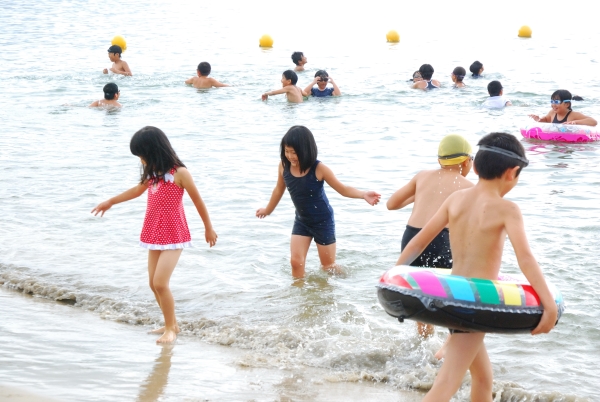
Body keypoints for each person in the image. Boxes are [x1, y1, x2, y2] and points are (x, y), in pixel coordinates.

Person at [396, 132, 558, 401]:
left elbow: (417, 244)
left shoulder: (456, 200)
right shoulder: (507, 209)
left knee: (483, 379)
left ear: (475, 166)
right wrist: (549, 304)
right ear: (512, 172)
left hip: (453, 298)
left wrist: (394, 272)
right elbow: (526, 259)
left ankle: (450, 346)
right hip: (474, 306)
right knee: (447, 384)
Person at [91, 126, 218, 344]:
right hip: (154, 232)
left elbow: (198, 200)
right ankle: (172, 323)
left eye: (142, 155)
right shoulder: (153, 174)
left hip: (174, 234)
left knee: (160, 283)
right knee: (152, 283)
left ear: (153, 151)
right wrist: (111, 201)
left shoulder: (180, 173)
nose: (141, 160)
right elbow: (135, 191)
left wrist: (208, 228)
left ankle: (171, 329)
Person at [256, 126, 381, 278]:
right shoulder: (283, 166)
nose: (289, 156)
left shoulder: (319, 168)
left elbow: (343, 189)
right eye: (286, 151)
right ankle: (298, 295)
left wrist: (363, 194)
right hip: (302, 221)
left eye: (294, 152)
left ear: (306, 149)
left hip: (323, 221)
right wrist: (268, 210)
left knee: (328, 267)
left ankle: (350, 281)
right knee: (296, 262)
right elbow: (278, 190)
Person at [387, 134, 474, 338]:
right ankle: (450, 347)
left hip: (411, 238)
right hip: (440, 240)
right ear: (465, 161)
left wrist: (422, 196)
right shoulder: (469, 187)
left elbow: (392, 204)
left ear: (439, 160)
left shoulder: (422, 176)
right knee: (449, 297)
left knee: (421, 295)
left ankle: (424, 341)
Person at [528, 90, 597, 126]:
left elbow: (593, 122)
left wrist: (574, 122)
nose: (553, 105)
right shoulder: (552, 112)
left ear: (567, 104)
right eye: (552, 101)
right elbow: (546, 119)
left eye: (557, 102)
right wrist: (539, 119)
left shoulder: (573, 115)